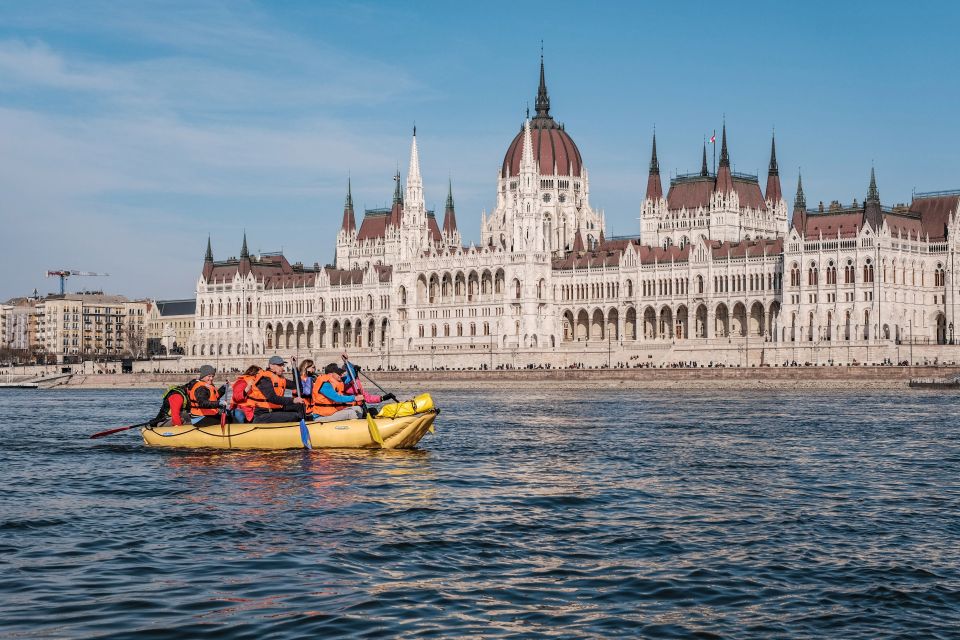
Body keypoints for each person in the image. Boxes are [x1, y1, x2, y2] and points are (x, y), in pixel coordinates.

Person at [248, 356, 305, 423]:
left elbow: (296, 385)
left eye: (282, 365)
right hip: (263, 414)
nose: (282, 368)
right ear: (271, 366)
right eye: (279, 365)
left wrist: (294, 367)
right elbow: (272, 398)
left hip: (276, 409)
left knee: (300, 406)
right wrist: (293, 400)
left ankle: (304, 426)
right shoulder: (264, 378)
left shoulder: (280, 379)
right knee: (294, 416)